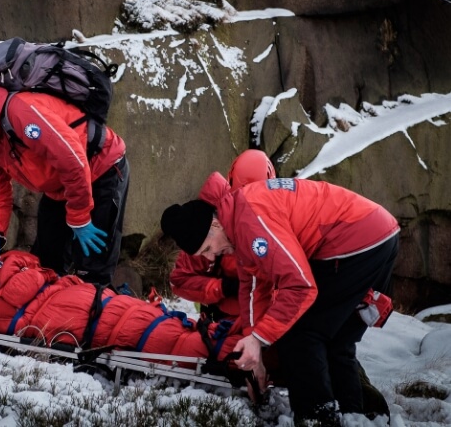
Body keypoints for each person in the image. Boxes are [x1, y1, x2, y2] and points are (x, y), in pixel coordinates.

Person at [161, 172, 399, 426]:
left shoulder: (250, 222)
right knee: (337, 339)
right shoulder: (238, 219)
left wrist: (260, 338)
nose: (210, 258)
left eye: (207, 249)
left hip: (357, 241)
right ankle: (354, 414)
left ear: (215, 225)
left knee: (299, 333)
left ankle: (316, 419)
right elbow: (254, 288)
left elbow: (300, 286)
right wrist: (257, 354)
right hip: (375, 232)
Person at [0, 78, 129, 286]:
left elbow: (72, 158)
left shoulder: (21, 114)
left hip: (101, 169)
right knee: (44, 267)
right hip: (59, 187)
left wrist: (79, 217)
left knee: (92, 271)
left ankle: (104, 308)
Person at [169, 149, 275, 322]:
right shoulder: (206, 226)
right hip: (224, 321)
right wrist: (224, 288)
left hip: (268, 318)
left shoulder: (278, 220)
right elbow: (180, 280)